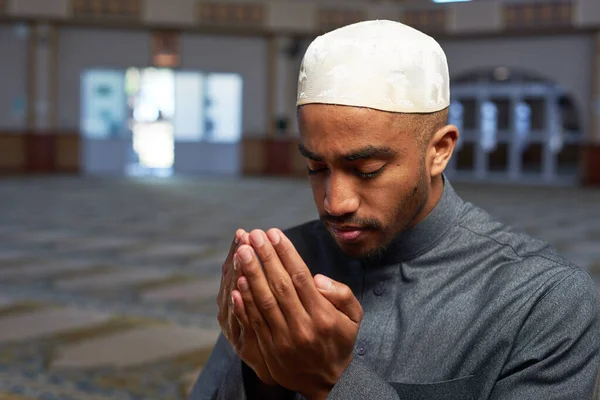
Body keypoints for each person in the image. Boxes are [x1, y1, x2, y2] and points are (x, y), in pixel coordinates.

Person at [190, 20, 600, 400]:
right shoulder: (284, 263)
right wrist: (260, 371)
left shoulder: (543, 299)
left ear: (439, 150)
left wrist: (335, 380)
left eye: (366, 170)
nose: (335, 203)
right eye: (316, 168)